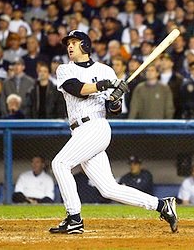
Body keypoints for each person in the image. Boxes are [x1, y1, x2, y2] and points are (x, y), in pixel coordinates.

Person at [49, 30, 178, 234]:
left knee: (60, 163)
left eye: (74, 42)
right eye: (68, 43)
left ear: (85, 45)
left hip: (95, 127)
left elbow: (114, 110)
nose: (70, 46)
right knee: (108, 188)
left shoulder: (106, 70)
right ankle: (162, 205)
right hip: (80, 131)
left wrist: (115, 99)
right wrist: (103, 86)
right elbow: (75, 88)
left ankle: (74, 218)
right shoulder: (65, 69)